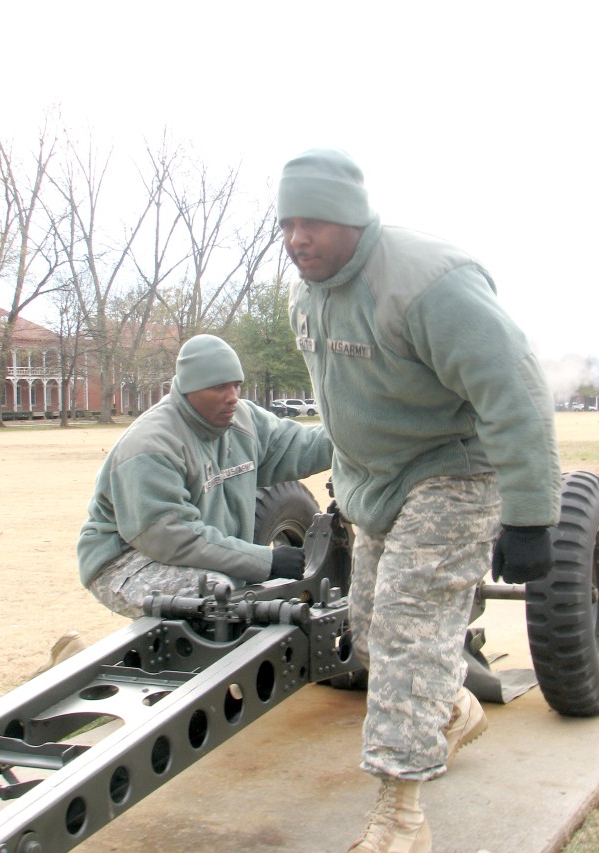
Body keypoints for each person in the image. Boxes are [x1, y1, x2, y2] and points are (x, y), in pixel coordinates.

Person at [277, 148, 561, 852]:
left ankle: (400, 815)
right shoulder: (306, 294)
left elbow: (516, 393)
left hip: (453, 473)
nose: (296, 238)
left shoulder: (429, 282)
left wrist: (529, 514)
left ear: (350, 218)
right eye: (286, 223)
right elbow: (346, 400)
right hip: (377, 484)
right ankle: (454, 706)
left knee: (407, 635)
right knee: (371, 637)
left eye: (311, 222)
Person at [77, 334, 332, 618]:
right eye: (219, 387)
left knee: (235, 595)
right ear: (190, 388)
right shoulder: (151, 447)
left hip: (191, 551)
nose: (233, 397)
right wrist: (266, 561)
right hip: (126, 559)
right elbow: (173, 537)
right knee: (214, 597)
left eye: (236, 385)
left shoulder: (243, 421)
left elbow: (301, 447)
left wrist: (360, 435)